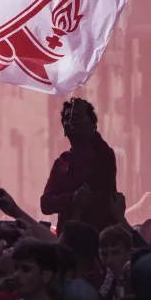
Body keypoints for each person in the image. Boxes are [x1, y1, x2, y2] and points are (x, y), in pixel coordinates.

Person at [41, 98, 117, 234]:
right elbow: (46, 204)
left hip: (98, 239)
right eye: (66, 118)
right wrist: (72, 198)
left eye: (77, 116)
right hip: (68, 241)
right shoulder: (62, 163)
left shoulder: (103, 155)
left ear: (92, 125)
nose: (70, 122)